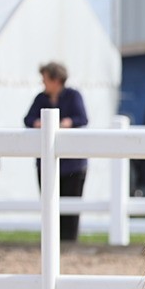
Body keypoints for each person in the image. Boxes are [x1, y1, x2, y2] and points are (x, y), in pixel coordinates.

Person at [23, 62, 89, 241]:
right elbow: (28, 119)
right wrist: (37, 123)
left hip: (73, 163)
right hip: (45, 162)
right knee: (48, 206)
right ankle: (50, 242)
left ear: (56, 80)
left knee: (70, 208)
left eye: (45, 79)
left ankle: (69, 243)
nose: (42, 82)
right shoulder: (40, 98)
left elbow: (82, 118)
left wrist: (68, 122)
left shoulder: (73, 95)